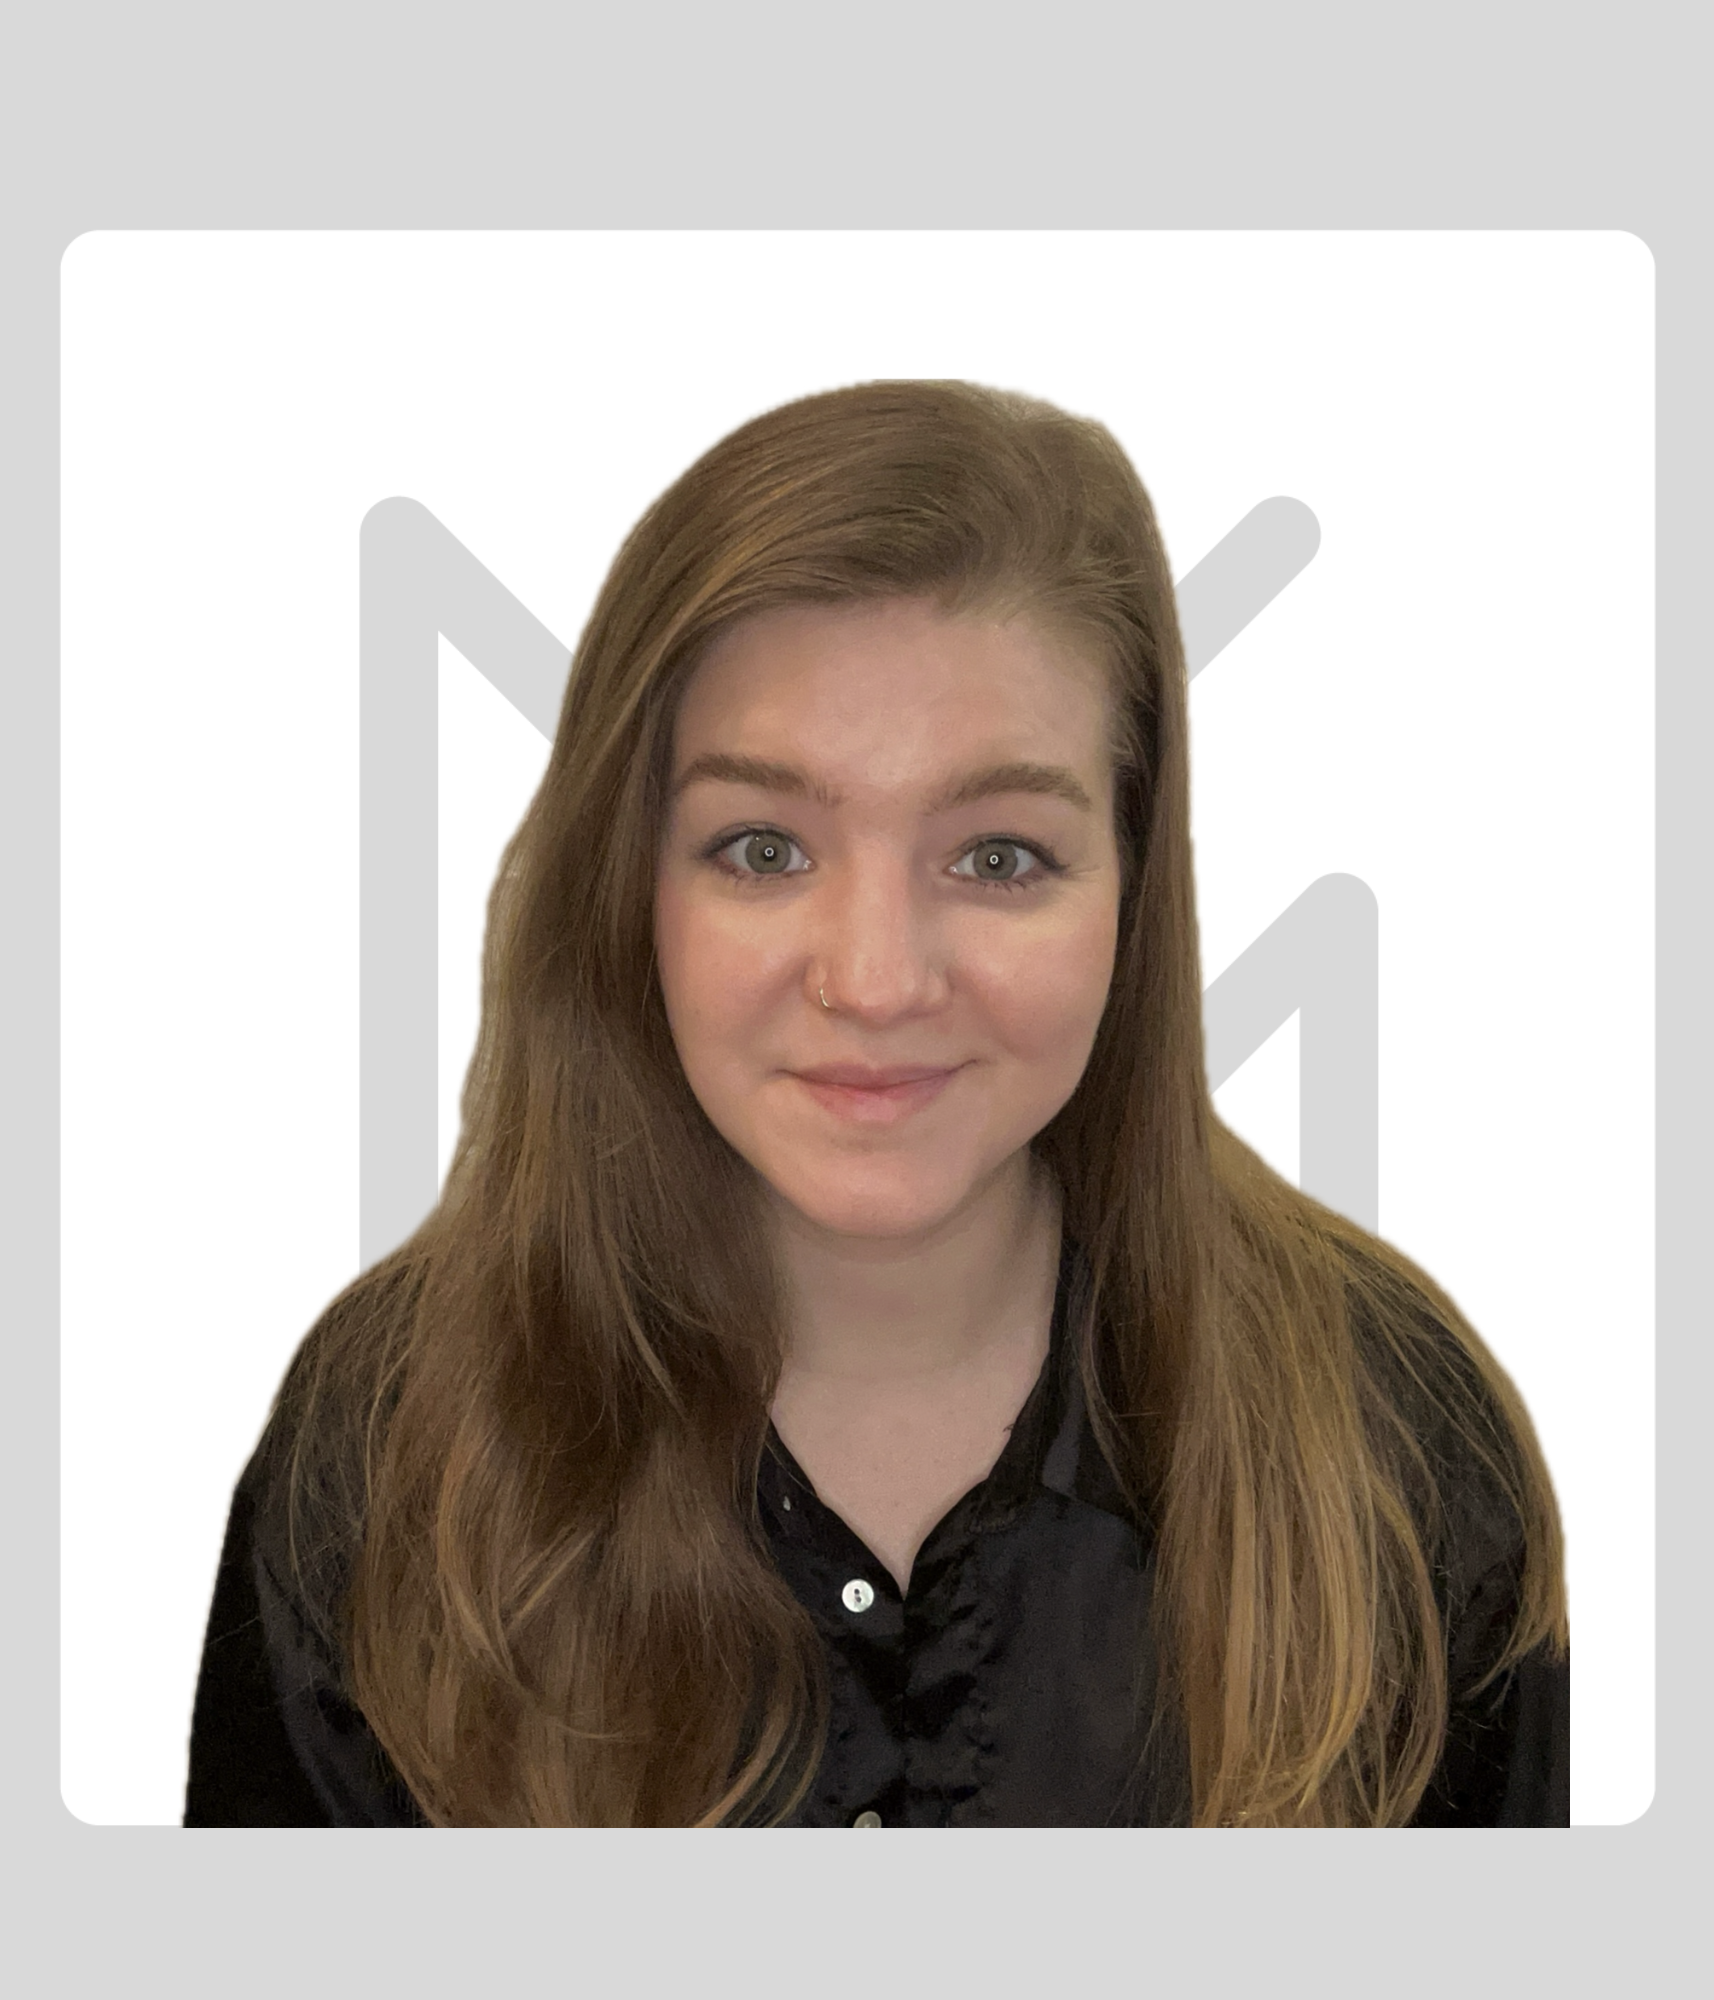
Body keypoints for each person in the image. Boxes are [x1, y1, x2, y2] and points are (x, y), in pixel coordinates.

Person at [185, 379, 1569, 1828]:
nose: (875, 979)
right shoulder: (388, 1437)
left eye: (998, 859)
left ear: (1132, 894)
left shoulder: (1396, 1438)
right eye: (764, 846)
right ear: (630, 890)